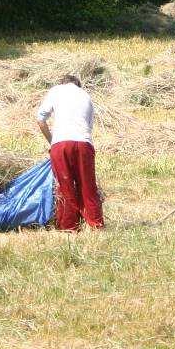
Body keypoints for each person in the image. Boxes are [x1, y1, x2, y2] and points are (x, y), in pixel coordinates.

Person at [36, 74, 104, 231]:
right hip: (84, 143)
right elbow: (88, 126)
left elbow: (40, 119)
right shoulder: (86, 96)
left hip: (61, 143)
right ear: (78, 85)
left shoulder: (56, 90)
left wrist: (52, 142)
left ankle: (69, 227)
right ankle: (95, 224)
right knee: (88, 185)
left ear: (63, 83)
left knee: (65, 186)